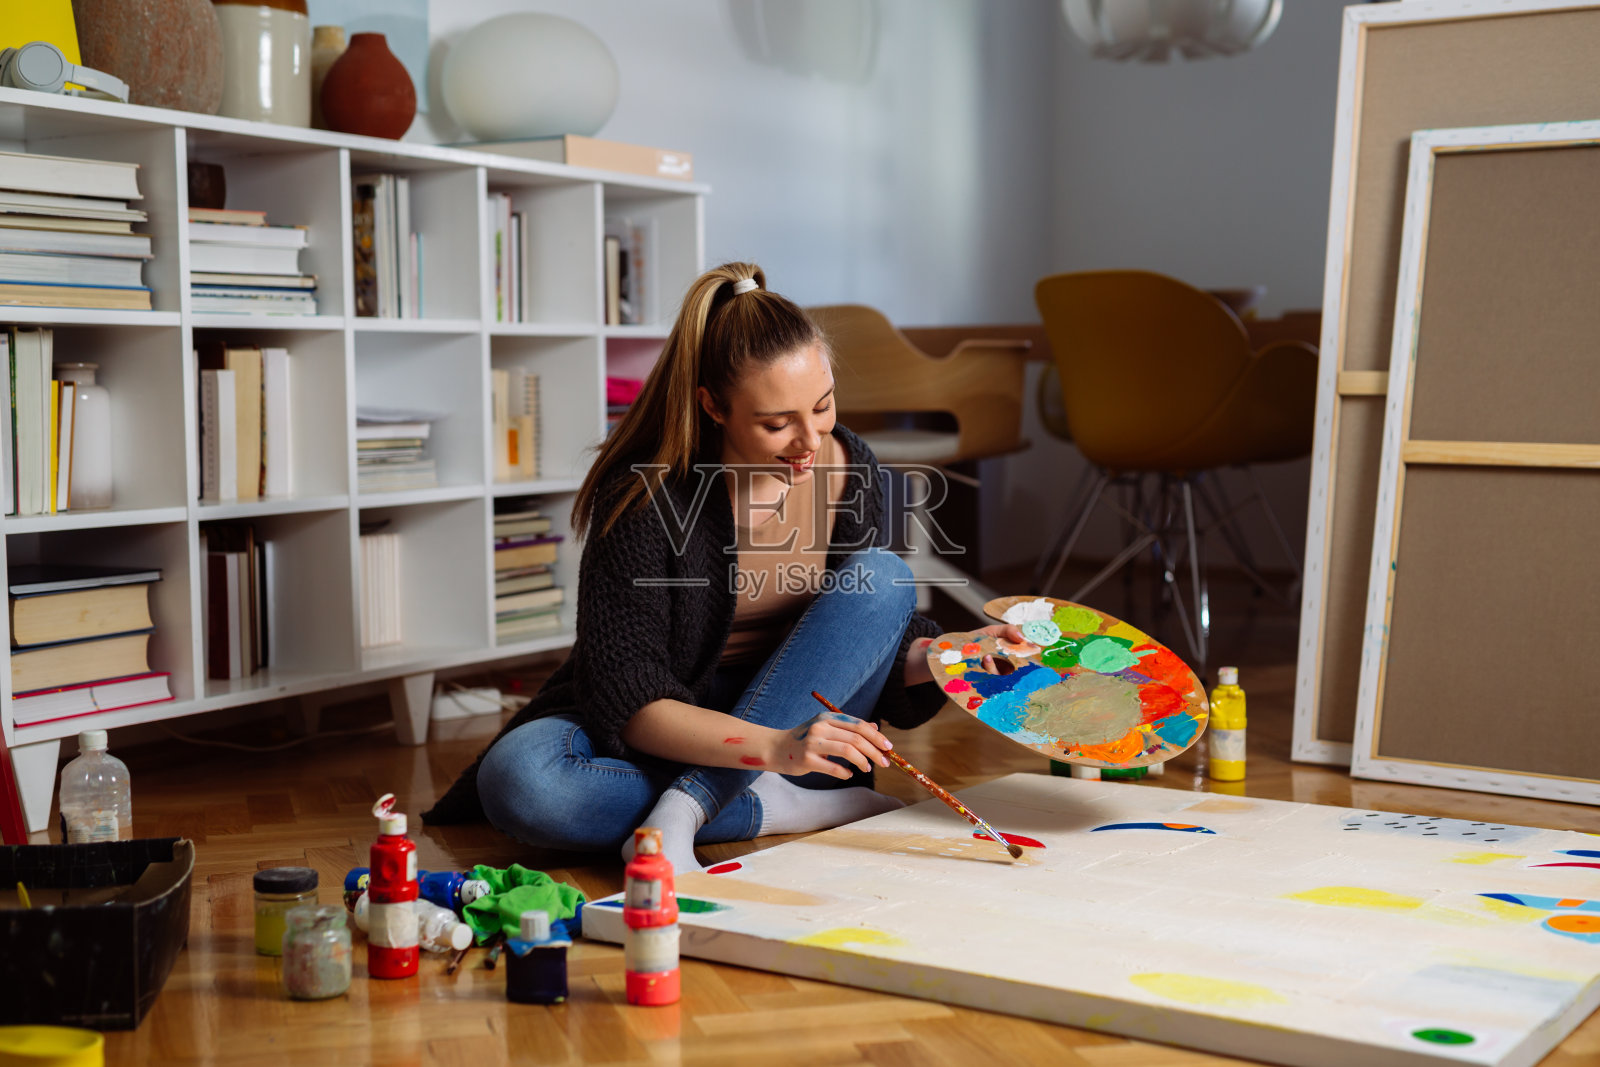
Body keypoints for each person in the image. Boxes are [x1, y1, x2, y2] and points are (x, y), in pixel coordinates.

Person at [423, 262, 1020, 872]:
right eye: (775, 423)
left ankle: (685, 809)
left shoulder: (849, 466)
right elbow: (627, 695)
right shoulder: (645, 495)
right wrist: (774, 749)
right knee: (524, 783)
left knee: (885, 577)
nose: (808, 440)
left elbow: (863, 642)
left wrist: (952, 656)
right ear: (713, 406)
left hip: (802, 722)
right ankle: (777, 805)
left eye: (822, 406)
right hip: (691, 728)